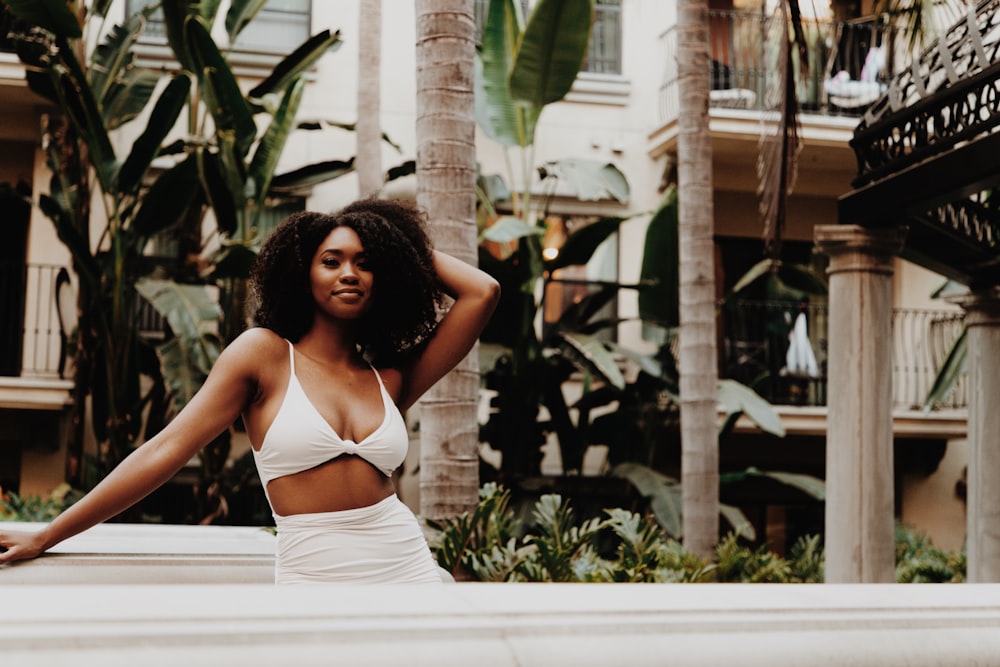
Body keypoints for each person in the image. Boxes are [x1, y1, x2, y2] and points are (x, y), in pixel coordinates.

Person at [0, 197, 500, 584]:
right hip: (313, 580)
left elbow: (482, 292)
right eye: (332, 260)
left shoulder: (388, 379)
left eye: (366, 262)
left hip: (406, 570)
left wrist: (392, 239)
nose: (349, 273)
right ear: (302, 274)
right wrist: (49, 534)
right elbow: (167, 449)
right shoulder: (263, 355)